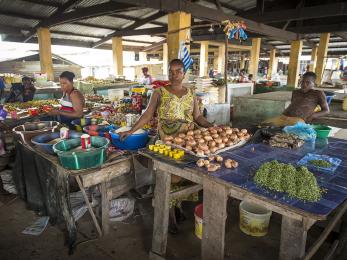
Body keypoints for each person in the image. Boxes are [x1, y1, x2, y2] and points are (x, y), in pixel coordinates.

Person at [119, 59, 213, 233]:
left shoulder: (192, 93)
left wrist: (212, 126)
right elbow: (148, 115)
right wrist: (131, 131)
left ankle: (177, 208)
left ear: (184, 73)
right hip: (166, 141)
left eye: (178, 71)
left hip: (187, 142)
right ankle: (170, 219)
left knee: (184, 176)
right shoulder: (159, 92)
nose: (174, 74)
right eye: (171, 71)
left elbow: (198, 117)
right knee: (168, 178)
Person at [263, 72, 329, 127]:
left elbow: (326, 111)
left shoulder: (318, 93)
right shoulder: (295, 92)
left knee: (288, 132)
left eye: (308, 82)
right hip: (283, 117)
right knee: (263, 125)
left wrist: (313, 115)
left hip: (298, 120)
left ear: (313, 84)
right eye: (302, 82)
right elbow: (294, 106)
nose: (304, 84)